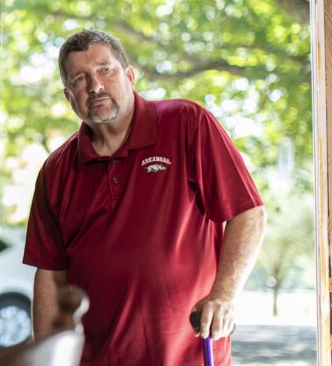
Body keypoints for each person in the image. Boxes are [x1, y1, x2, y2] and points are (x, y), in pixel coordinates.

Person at [22, 29, 266, 365]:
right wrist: (47, 359)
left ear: (129, 75)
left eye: (105, 70)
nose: (95, 86)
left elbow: (248, 213)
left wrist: (224, 295)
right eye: (80, 79)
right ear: (68, 96)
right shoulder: (56, 171)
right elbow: (50, 274)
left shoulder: (187, 124)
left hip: (189, 355)